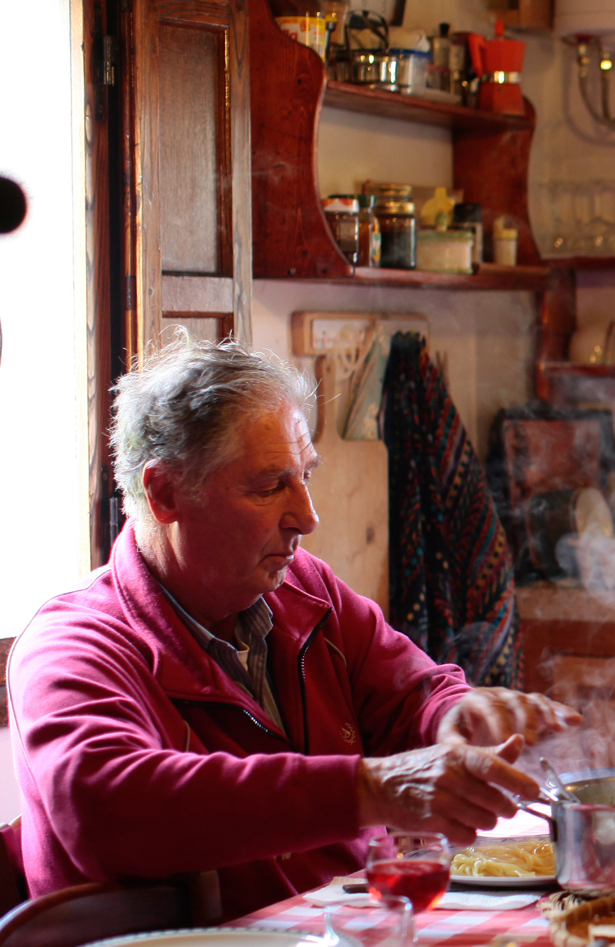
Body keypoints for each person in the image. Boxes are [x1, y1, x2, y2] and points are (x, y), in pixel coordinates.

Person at [9, 336, 582, 919]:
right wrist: (370, 789)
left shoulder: (303, 588)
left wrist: (456, 716)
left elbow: (411, 693)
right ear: (164, 492)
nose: (307, 516)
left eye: (304, 475)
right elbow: (107, 810)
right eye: (268, 487)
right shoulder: (73, 645)